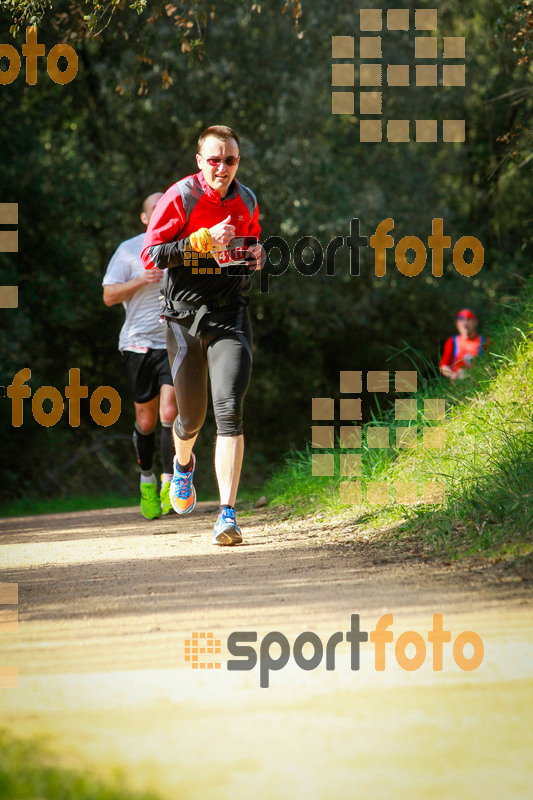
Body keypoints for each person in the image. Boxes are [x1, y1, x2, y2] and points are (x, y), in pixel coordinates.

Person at [141, 125, 265, 546]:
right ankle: (183, 464)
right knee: (191, 419)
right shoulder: (180, 197)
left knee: (229, 409)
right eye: (213, 159)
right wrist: (198, 242)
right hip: (182, 319)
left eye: (229, 160)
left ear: (237, 163)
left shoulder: (246, 199)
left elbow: (251, 243)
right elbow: (151, 255)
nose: (221, 167)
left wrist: (255, 255)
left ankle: (227, 515)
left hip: (229, 315)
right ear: (199, 161)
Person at [103, 193, 178, 520]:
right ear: (145, 218)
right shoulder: (129, 250)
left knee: (170, 410)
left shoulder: (181, 246)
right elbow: (108, 295)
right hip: (137, 344)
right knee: (146, 421)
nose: (161, 214)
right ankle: (146, 478)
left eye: (167, 209)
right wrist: (140, 280)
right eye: (155, 210)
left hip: (173, 341)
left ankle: (169, 481)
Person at [440, 308, 489, 380]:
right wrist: (453, 376)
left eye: (468, 319)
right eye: (461, 320)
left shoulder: (485, 341)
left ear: (475, 322)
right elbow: (444, 366)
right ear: (457, 324)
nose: (465, 323)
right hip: (458, 386)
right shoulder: (452, 341)